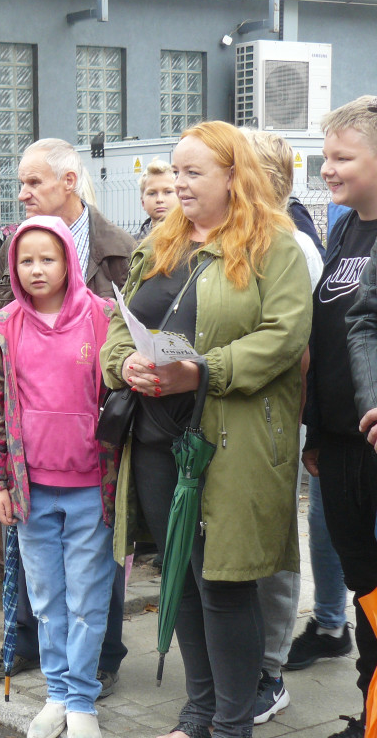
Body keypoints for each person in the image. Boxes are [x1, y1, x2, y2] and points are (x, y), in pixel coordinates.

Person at [101, 121, 311, 738]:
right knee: (181, 579)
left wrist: (204, 372)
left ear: (232, 175)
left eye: (194, 172)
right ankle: (198, 712)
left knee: (223, 584)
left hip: (234, 442)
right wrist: (126, 362)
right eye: (173, 171)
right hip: (159, 440)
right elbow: (122, 321)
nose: (177, 184)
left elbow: (284, 337)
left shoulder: (276, 244)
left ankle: (231, 723)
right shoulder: (161, 240)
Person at [0, 139, 135, 696]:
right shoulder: (10, 291)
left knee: (93, 583)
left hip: (91, 465)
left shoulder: (118, 254)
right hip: (32, 468)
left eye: (33, 182)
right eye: (27, 261)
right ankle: (53, 675)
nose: (23, 194)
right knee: (45, 584)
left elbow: (125, 355)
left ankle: (94, 670)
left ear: (69, 181)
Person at [239, 128, 325, 725]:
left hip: (274, 417)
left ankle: (269, 671)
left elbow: (303, 347)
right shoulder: (229, 237)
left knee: (271, 542)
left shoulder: (294, 245)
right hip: (232, 413)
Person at [318, 95, 377, 738]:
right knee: (363, 583)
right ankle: (369, 711)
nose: (328, 169)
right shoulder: (343, 230)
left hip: (372, 439)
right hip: (337, 438)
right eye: (327, 155)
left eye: (343, 157)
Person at [137, 160, 179, 240]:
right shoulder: (133, 245)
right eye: (152, 193)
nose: (159, 199)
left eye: (168, 192)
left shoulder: (194, 242)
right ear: (143, 202)